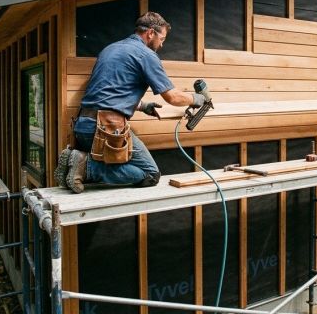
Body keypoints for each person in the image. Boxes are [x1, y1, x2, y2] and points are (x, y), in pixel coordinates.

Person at [54, 12, 206, 193]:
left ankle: (74, 160)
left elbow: (111, 92)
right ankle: (86, 166)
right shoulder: (146, 55)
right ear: (151, 33)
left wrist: (143, 106)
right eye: (162, 38)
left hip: (82, 127)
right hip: (104, 130)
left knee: (125, 164)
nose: (162, 44)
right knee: (150, 174)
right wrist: (197, 99)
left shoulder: (110, 49)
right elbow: (172, 97)